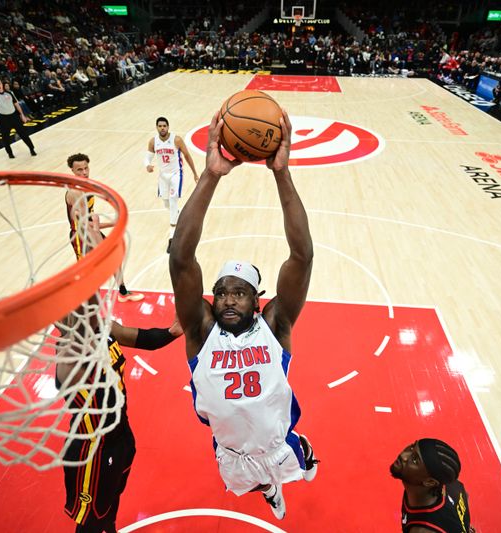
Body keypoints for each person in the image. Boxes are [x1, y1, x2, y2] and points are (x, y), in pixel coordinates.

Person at [169, 111, 318, 520]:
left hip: (277, 440)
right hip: (231, 449)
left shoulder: (276, 325)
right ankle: (269, 486)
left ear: (258, 300)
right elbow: (181, 258)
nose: (229, 301)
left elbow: (302, 257)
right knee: (255, 485)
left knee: (299, 467)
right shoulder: (201, 331)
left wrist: (282, 175)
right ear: (211, 299)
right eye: (221, 293)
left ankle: (300, 449)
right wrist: (210, 175)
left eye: (240, 293)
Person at [56, 252, 182, 533]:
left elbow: (141, 339)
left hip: (121, 436)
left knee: (111, 503)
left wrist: (171, 332)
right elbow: (65, 379)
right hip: (92, 449)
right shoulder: (68, 355)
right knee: (89, 521)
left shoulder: (103, 327)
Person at [65, 153, 145, 303]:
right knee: (86, 272)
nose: (84, 173)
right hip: (80, 236)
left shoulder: (87, 186)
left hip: (91, 230)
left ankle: (123, 292)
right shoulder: (75, 192)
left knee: (113, 257)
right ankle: (77, 301)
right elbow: (85, 224)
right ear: (72, 171)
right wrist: (112, 223)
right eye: (79, 170)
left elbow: (90, 220)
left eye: (86, 168)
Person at [390, 438, 474, 533]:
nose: (404, 456)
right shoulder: (450, 484)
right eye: (412, 447)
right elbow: (465, 495)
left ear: (430, 482)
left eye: (414, 460)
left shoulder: (422, 530)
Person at [145, 117, 199, 253]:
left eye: (164, 126)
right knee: (166, 203)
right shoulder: (153, 142)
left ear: (168, 127)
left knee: (173, 201)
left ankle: (172, 237)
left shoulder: (177, 140)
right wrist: (147, 165)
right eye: (160, 126)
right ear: (156, 127)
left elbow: (187, 156)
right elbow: (148, 157)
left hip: (176, 174)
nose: (162, 128)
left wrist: (194, 173)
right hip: (163, 176)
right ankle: (177, 214)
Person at [0, 78, 36, 159]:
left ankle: (32, 149)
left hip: (14, 116)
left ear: (1, 84)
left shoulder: (9, 93)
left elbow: (16, 104)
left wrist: (22, 115)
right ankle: (10, 153)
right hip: (3, 118)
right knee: (5, 138)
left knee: (23, 134)